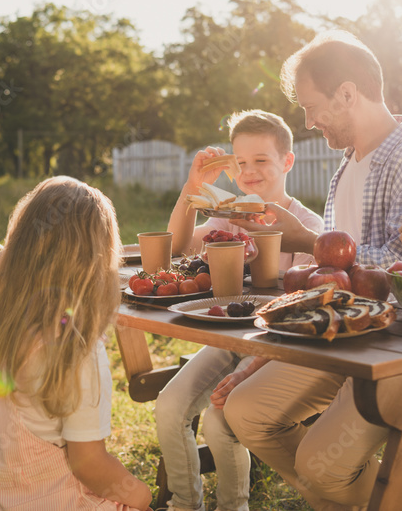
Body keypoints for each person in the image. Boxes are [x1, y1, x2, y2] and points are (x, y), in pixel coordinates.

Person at [221, 30, 402, 509]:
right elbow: (332, 282)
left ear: (348, 93)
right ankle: (376, 500)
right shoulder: (346, 168)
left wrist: (306, 241)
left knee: (319, 462)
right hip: (346, 337)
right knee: (245, 411)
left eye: (312, 107)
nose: (310, 122)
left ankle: (384, 497)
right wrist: (270, 348)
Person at [0, 177, 153, 511]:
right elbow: (89, 464)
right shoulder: (76, 351)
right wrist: (140, 494)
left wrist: (3, 262)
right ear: (96, 264)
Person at [157, 110, 323, 511]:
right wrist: (191, 189)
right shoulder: (229, 218)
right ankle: (185, 504)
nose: (249, 172)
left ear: (287, 162)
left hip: (276, 351)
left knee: (218, 420)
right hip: (228, 339)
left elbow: (309, 315)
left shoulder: (306, 226)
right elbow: (176, 249)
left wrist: (252, 369)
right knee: (169, 405)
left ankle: (233, 506)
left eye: (261, 161)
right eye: (241, 163)